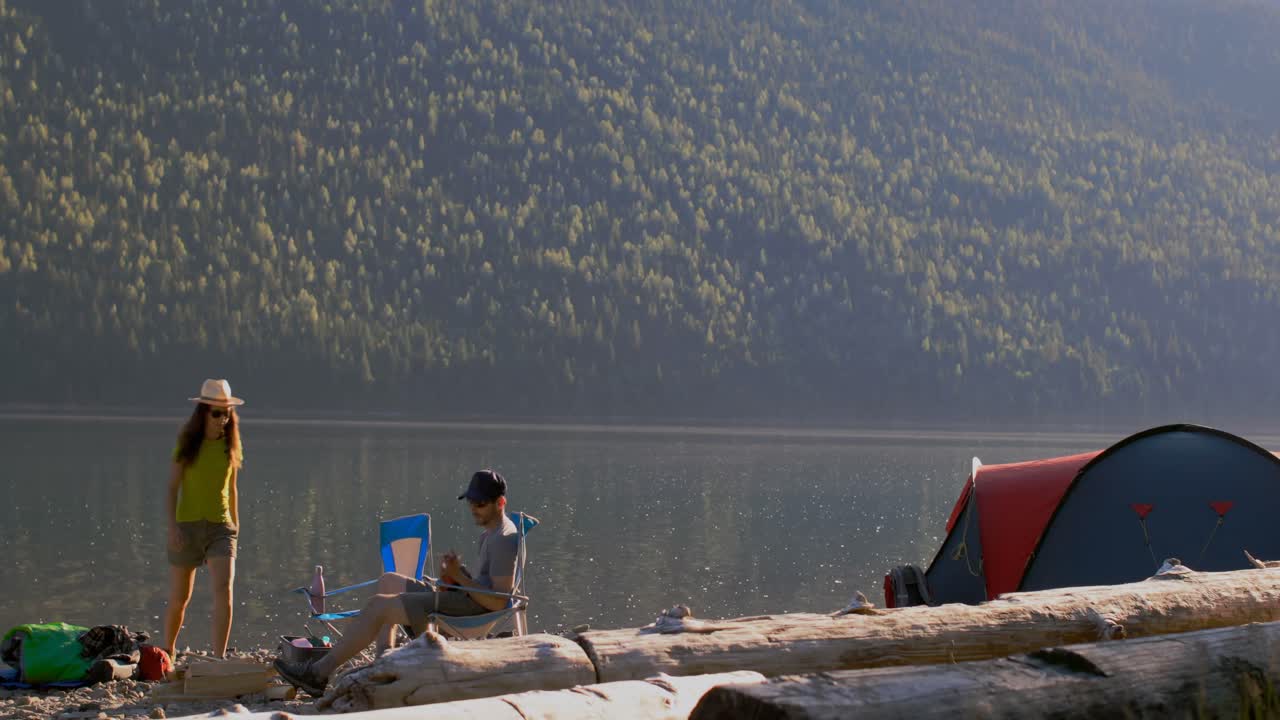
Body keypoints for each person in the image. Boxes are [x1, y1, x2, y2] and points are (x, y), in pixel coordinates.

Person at [274, 469, 520, 697]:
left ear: (500, 503)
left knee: (378, 607)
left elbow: (498, 602)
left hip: (470, 613)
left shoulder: (504, 539)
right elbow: (485, 586)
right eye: (470, 502)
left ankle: (317, 674)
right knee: (389, 581)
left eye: (480, 503)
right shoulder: (491, 532)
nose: (474, 508)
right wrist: (454, 579)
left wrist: (460, 577)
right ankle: (384, 663)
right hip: (462, 598)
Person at [163, 378, 245, 660]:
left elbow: (232, 487)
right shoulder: (187, 442)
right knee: (180, 600)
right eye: (216, 413)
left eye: (227, 413)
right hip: (187, 527)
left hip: (221, 527)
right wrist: (172, 527)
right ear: (203, 412)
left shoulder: (231, 445)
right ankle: (168, 651)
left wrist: (235, 524)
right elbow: (172, 487)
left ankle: (219, 657)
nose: (223, 419)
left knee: (224, 590)